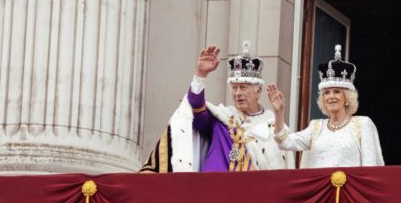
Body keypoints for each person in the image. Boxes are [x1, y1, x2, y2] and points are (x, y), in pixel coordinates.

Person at [141, 42, 294, 172]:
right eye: (234, 88)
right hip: (219, 191)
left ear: (258, 91)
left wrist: (279, 114)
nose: (238, 93)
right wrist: (200, 75)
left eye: (243, 87)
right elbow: (197, 111)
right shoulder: (221, 118)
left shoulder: (272, 123)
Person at [270, 45, 383, 168]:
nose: (331, 96)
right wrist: (279, 113)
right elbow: (285, 142)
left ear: (347, 97)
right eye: (326, 92)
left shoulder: (362, 125)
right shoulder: (316, 127)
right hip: (320, 187)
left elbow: (370, 168)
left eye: (337, 91)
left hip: (350, 187)